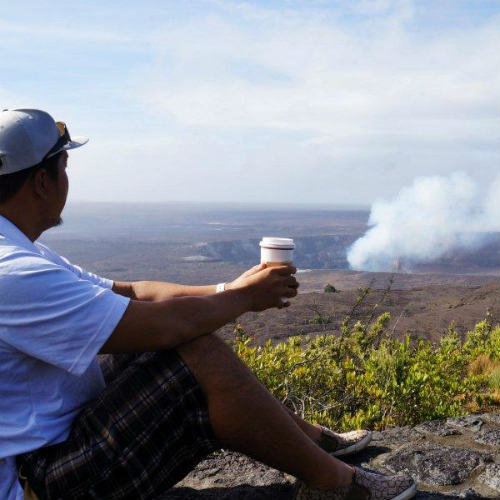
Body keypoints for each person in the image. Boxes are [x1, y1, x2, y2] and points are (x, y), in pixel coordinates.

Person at [0, 108, 416, 500]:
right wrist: (246, 299)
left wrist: (229, 288)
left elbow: (129, 292)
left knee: (165, 340)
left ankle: (307, 439)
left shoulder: (21, 254)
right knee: (198, 353)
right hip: (35, 482)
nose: (67, 181)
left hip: (46, 444)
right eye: (64, 169)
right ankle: (334, 484)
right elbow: (165, 326)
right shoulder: (13, 271)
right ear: (41, 181)